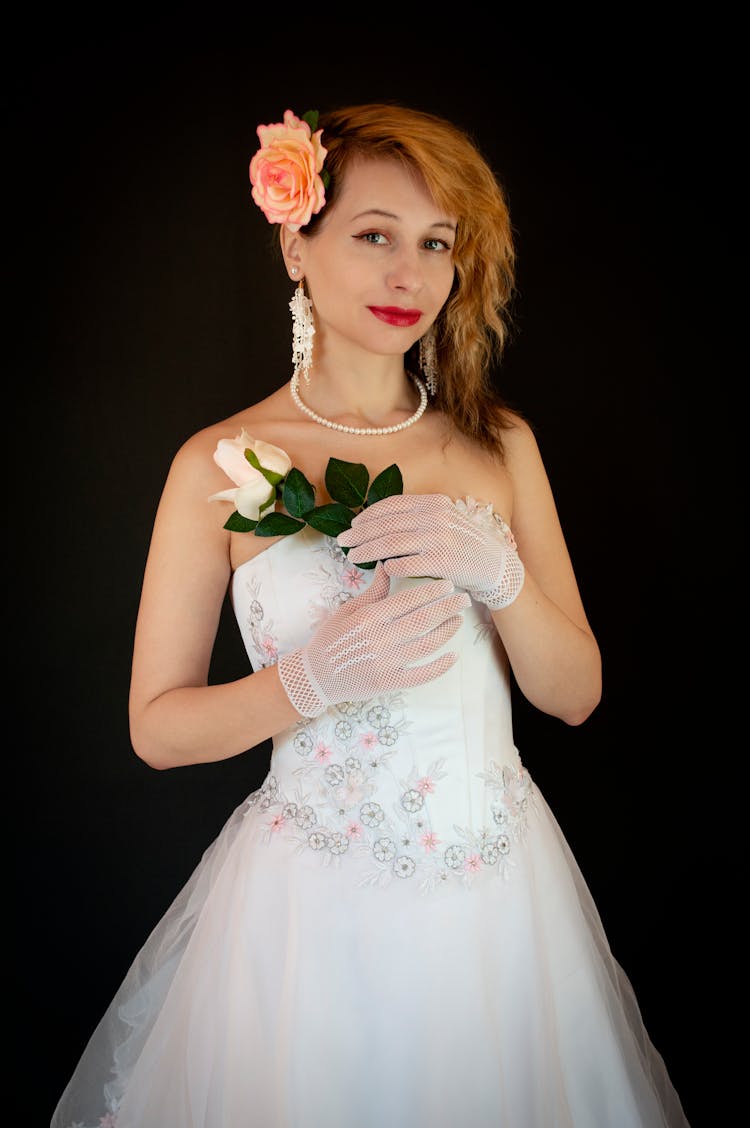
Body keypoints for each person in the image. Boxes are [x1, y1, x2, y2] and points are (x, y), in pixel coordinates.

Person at [51, 103, 689, 1128]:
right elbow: (155, 728)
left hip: (496, 903)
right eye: (375, 235)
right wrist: (307, 682)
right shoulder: (217, 465)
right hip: (307, 916)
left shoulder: (498, 444)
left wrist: (503, 578)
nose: (411, 275)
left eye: (436, 244)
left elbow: (573, 696)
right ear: (297, 244)